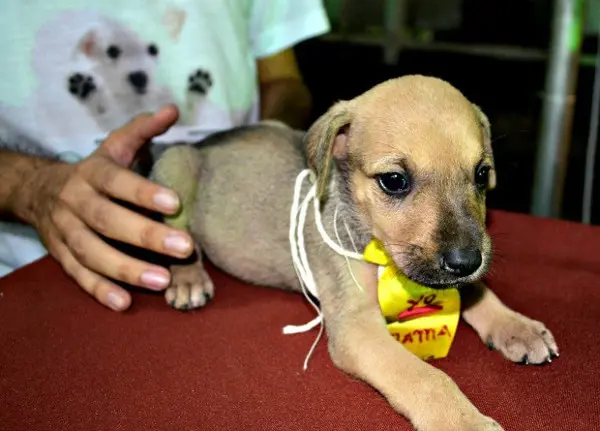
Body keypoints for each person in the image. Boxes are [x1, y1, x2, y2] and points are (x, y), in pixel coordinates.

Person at [0, 0, 330, 311]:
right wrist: (31, 185)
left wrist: (264, 149)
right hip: (31, 265)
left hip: (235, 240)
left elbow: (282, 79)